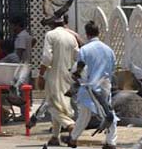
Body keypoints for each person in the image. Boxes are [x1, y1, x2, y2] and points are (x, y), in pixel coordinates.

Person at [67, 21, 117, 149]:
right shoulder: (109, 50)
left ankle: (73, 138)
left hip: (89, 87)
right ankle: (110, 141)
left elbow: (79, 69)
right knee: (108, 113)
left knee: (85, 115)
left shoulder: (84, 50)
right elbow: (112, 69)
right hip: (104, 85)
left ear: (87, 34)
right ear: (98, 33)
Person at [39, 16, 79, 146]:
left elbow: (47, 56)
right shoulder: (71, 37)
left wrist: (41, 74)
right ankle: (55, 137)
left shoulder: (50, 35)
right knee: (59, 104)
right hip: (68, 75)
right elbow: (77, 57)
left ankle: (69, 124)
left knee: (50, 103)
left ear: (51, 24)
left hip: (54, 74)